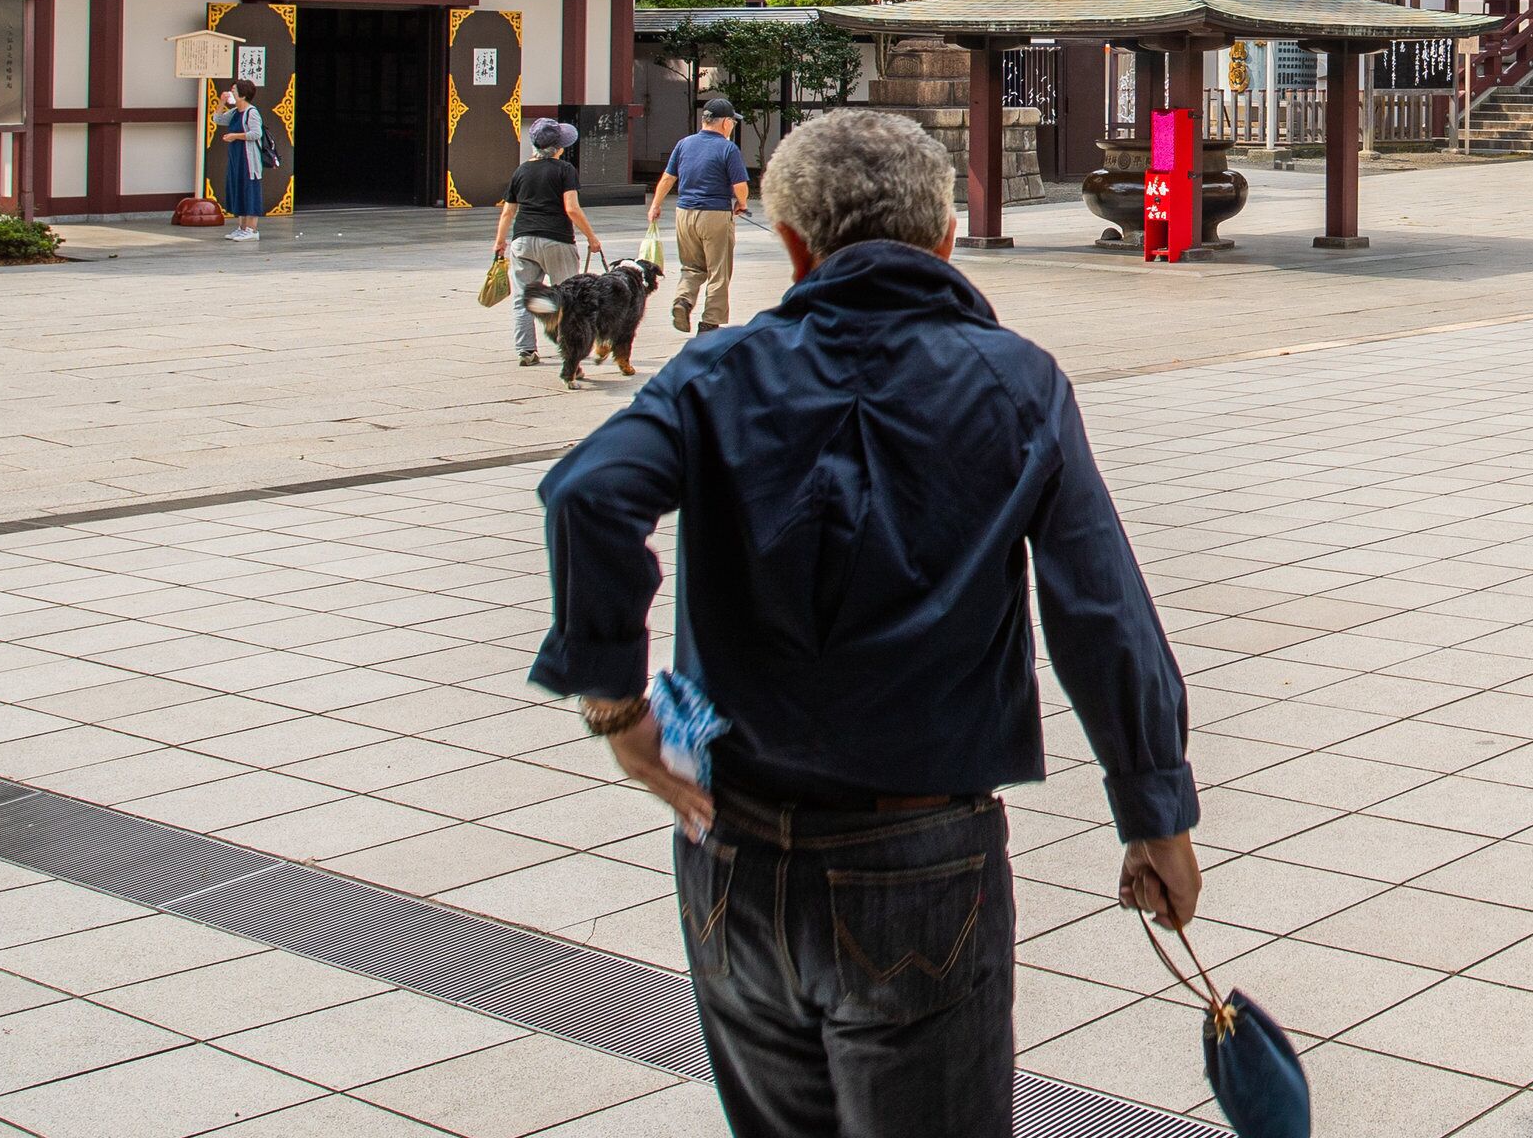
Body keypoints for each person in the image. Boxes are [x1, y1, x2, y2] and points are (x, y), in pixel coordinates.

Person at [531, 109, 1198, 1137]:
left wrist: (618, 707)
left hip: (731, 843)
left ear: (792, 244)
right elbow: (1099, 607)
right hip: (921, 850)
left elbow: (587, 494)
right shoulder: (1017, 381)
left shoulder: (715, 375)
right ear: (942, 237)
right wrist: (1153, 807)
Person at [491, 118, 600, 369]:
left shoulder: (521, 171)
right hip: (557, 241)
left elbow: (508, 212)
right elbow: (571, 209)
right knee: (571, 299)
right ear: (558, 148)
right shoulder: (565, 170)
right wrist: (592, 238)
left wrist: (500, 241)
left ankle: (526, 350)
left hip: (523, 240)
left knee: (523, 298)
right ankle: (570, 351)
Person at [642, 94, 752, 335]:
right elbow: (740, 185)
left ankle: (683, 301)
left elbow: (668, 178)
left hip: (684, 213)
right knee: (718, 271)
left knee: (691, 267)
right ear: (725, 123)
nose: (732, 126)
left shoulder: (684, 144)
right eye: (732, 122)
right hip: (714, 215)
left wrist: (656, 205)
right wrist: (741, 204)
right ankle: (709, 322)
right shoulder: (728, 148)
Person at [211, 81, 269, 241]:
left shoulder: (251, 112)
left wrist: (235, 136)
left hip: (249, 160)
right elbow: (218, 119)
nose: (231, 92)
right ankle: (241, 227)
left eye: (234, 90)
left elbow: (256, 134)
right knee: (239, 189)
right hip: (236, 158)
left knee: (250, 191)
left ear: (242, 95)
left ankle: (252, 229)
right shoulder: (236, 111)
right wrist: (222, 102)